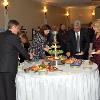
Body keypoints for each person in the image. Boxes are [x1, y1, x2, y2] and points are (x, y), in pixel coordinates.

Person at [0, 20, 32, 100]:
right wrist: (29, 57)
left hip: (1, 67)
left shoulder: (1, 35)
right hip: (9, 68)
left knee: (2, 90)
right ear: (13, 27)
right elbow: (21, 50)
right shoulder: (13, 37)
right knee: (10, 90)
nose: (18, 30)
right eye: (18, 28)